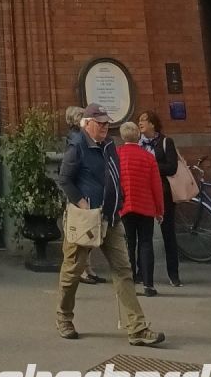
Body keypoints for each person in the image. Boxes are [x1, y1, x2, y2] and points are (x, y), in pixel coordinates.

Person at [56, 103, 163, 346]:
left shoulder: (109, 145)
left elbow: (115, 175)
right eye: (100, 123)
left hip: (112, 217)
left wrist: (120, 198)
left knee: (123, 271)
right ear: (87, 123)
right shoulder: (77, 146)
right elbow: (65, 179)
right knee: (72, 271)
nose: (105, 126)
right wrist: (82, 203)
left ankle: (137, 328)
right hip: (86, 220)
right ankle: (64, 317)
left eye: (107, 122)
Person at [118, 121, 164, 296]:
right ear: (138, 136)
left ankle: (129, 285)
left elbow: (113, 182)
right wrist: (159, 210)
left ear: (122, 136)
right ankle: (148, 285)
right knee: (146, 244)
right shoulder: (148, 157)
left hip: (125, 206)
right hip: (146, 206)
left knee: (128, 245)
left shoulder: (118, 154)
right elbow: (156, 186)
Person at [138, 110, 182, 286]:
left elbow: (172, 167)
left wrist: (151, 165)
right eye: (139, 120)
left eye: (144, 120)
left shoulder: (165, 142)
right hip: (143, 193)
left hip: (163, 193)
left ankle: (174, 274)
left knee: (168, 234)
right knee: (144, 236)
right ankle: (142, 273)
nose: (140, 123)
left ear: (153, 124)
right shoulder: (138, 143)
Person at [65, 105, 104, 285]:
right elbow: (66, 176)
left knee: (89, 234)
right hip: (82, 196)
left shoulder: (82, 137)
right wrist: (80, 201)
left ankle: (87, 269)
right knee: (82, 236)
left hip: (87, 195)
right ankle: (80, 272)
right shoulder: (76, 140)